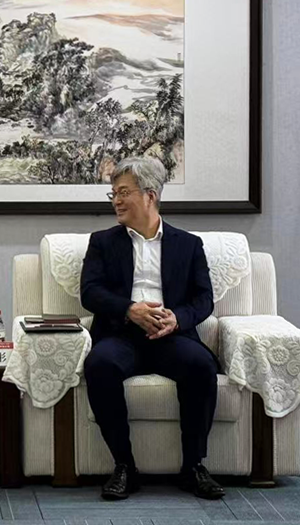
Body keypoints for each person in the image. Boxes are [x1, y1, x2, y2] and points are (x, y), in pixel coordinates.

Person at [80, 157, 225, 501]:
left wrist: (177, 318)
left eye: (123, 192)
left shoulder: (188, 244)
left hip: (170, 335)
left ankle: (194, 466)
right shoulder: (102, 242)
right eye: (113, 193)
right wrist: (129, 309)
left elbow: (204, 298)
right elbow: (90, 292)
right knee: (99, 364)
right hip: (121, 335)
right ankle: (124, 466)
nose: (116, 201)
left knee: (201, 365)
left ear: (150, 195)